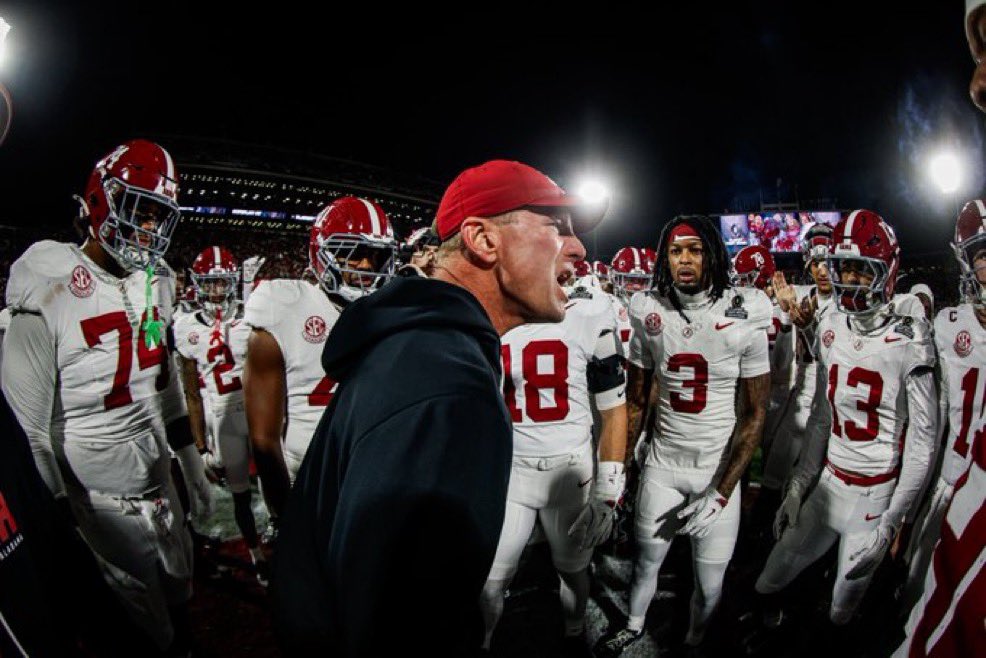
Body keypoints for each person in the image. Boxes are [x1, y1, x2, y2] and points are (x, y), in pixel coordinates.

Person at [270, 159, 604, 655]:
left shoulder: (424, 347)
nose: (577, 247)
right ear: (484, 240)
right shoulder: (447, 385)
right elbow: (400, 620)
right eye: (556, 227)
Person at [1, 140, 211, 653]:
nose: (148, 230)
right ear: (101, 201)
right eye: (139, 211)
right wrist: (62, 525)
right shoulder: (48, 283)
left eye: (160, 216)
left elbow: (165, 393)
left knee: (182, 611)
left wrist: (191, 470)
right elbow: (29, 431)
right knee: (136, 636)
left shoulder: (156, 282)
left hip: (158, 483)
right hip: (98, 505)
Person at [753, 210, 937, 644]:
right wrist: (799, 483)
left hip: (875, 492)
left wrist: (893, 521)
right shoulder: (830, 324)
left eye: (862, 268)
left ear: (887, 271)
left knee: (841, 610)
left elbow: (923, 442)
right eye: (845, 267)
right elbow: (822, 414)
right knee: (769, 579)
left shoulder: (910, 333)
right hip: (830, 484)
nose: (851, 279)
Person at [597, 215, 772, 656]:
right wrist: (617, 471)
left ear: (713, 254)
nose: (685, 260)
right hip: (663, 464)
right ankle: (634, 625)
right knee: (645, 566)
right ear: (666, 259)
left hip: (715, 469)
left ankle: (695, 640)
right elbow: (636, 401)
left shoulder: (745, 309)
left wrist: (723, 491)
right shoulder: (649, 309)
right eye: (676, 251)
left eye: (695, 250)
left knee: (710, 584)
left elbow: (754, 413)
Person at [479, 267, 627, 652]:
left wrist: (609, 488)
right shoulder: (492, 312)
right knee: (491, 580)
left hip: (570, 470)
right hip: (512, 470)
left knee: (573, 570)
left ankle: (574, 634)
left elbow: (614, 409)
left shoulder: (588, 312)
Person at [242, 196, 395, 536]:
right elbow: (265, 438)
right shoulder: (285, 305)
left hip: (376, 475)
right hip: (309, 477)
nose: (367, 265)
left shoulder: (393, 312)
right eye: (352, 251)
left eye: (376, 254)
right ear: (321, 252)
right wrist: (284, 516)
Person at [896, 198, 986, 657]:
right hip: (952, 480)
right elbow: (929, 423)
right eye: (983, 254)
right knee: (921, 590)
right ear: (965, 260)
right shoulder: (950, 325)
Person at [174, 245, 269, 584]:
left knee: (276, 482)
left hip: (258, 410)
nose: (216, 291)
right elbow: (190, 393)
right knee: (242, 493)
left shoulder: (251, 315)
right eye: (209, 283)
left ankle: (284, 535)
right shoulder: (186, 327)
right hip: (223, 417)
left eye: (221, 282)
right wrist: (200, 445)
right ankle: (257, 555)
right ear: (198, 285)